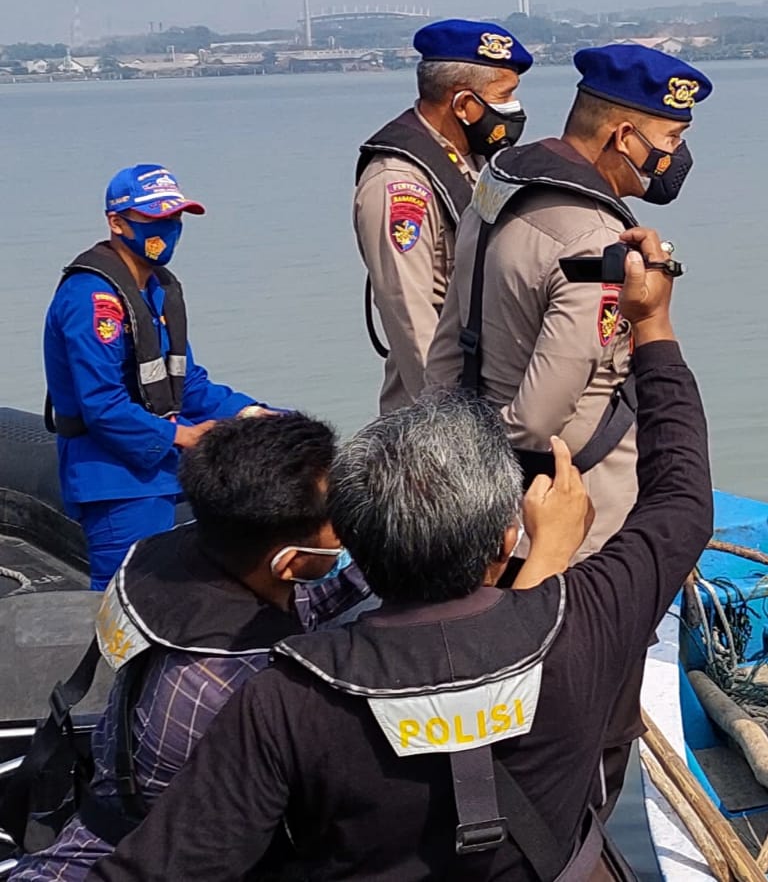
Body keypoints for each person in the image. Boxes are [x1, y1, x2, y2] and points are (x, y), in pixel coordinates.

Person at [91, 230, 711, 882]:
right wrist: (652, 323)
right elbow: (683, 502)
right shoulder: (585, 618)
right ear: (507, 540)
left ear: (353, 541)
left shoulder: (286, 698)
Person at [424, 42, 711, 809]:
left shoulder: (500, 185)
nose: (674, 161)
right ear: (623, 137)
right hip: (579, 501)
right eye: (670, 142)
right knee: (592, 691)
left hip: (483, 476)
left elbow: (451, 331)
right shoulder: (595, 242)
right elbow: (542, 415)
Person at [8, 415, 370, 881]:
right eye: (338, 514)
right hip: (150, 851)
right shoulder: (226, 686)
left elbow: (307, 595)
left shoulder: (204, 564)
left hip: (126, 801)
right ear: (288, 560)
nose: (349, 523)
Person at [42, 165, 276, 589]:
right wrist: (185, 438)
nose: (167, 230)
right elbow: (102, 405)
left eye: (174, 219)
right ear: (117, 222)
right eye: (154, 219)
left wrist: (249, 412)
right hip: (115, 477)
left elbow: (186, 382)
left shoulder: (157, 289)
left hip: (161, 465)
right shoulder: (93, 299)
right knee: (127, 596)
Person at [355, 18, 531, 414]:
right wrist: (449, 422)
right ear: (464, 104)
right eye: (504, 95)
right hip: (439, 408)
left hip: (489, 389)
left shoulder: (474, 158)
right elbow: (409, 312)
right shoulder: (399, 182)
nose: (514, 109)